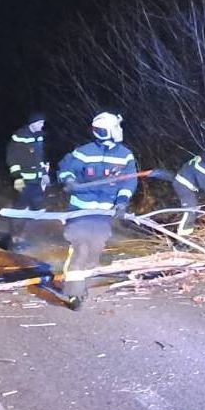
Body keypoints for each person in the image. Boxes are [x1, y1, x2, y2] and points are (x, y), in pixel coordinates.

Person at [54, 111, 137, 311]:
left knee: (95, 249)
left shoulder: (125, 155)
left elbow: (128, 180)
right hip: (80, 210)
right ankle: (74, 293)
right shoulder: (84, 152)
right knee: (80, 248)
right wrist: (69, 180)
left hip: (103, 213)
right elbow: (66, 168)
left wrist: (122, 201)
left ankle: (79, 279)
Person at [5, 112, 48, 252]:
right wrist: (17, 177)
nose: (42, 125)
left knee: (36, 210)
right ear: (33, 123)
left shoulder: (39, 136)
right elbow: (12, 157)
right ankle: (14, 239)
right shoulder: (20, 136)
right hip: (23, 180)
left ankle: (23, 237)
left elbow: (39, 157)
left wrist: (44, 174)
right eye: (40, 123)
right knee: (20, 209)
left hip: (36, 179)